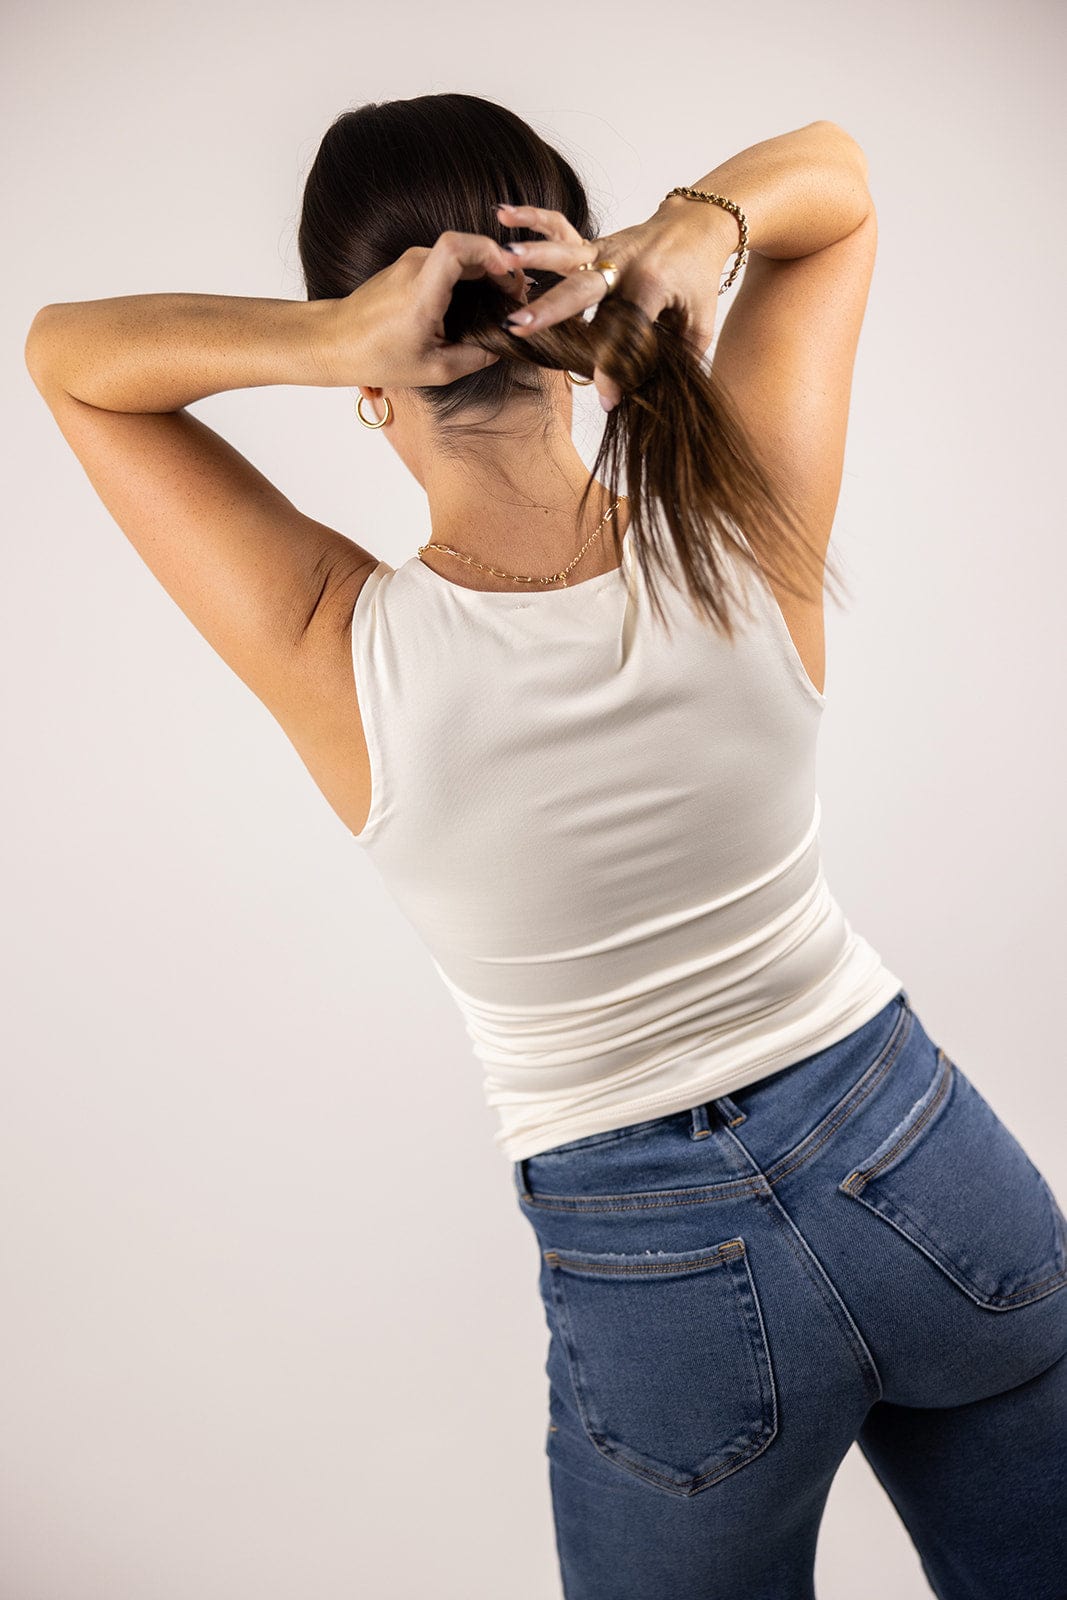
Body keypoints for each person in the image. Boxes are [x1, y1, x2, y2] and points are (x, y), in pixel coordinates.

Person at [25, 93, 1067, 1600]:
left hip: (661, 1280)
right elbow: (835, 183)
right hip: (928, 1166)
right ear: (574, 295)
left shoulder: (340, 645)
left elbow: (74, 360)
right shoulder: (743, 516)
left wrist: (330, 343)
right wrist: (683, 241)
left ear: (374, 370)